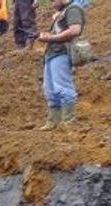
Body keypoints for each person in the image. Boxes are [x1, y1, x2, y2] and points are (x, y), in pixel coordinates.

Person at [37, 0, 85, 129]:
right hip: (52, 53)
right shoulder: (62, 12)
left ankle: (68, 121)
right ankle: (53, 121)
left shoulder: (73, 9)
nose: (51, 3)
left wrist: (51, 38)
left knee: (62, 87)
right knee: (50, 89)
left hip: (62, 52)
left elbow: (75, 30)